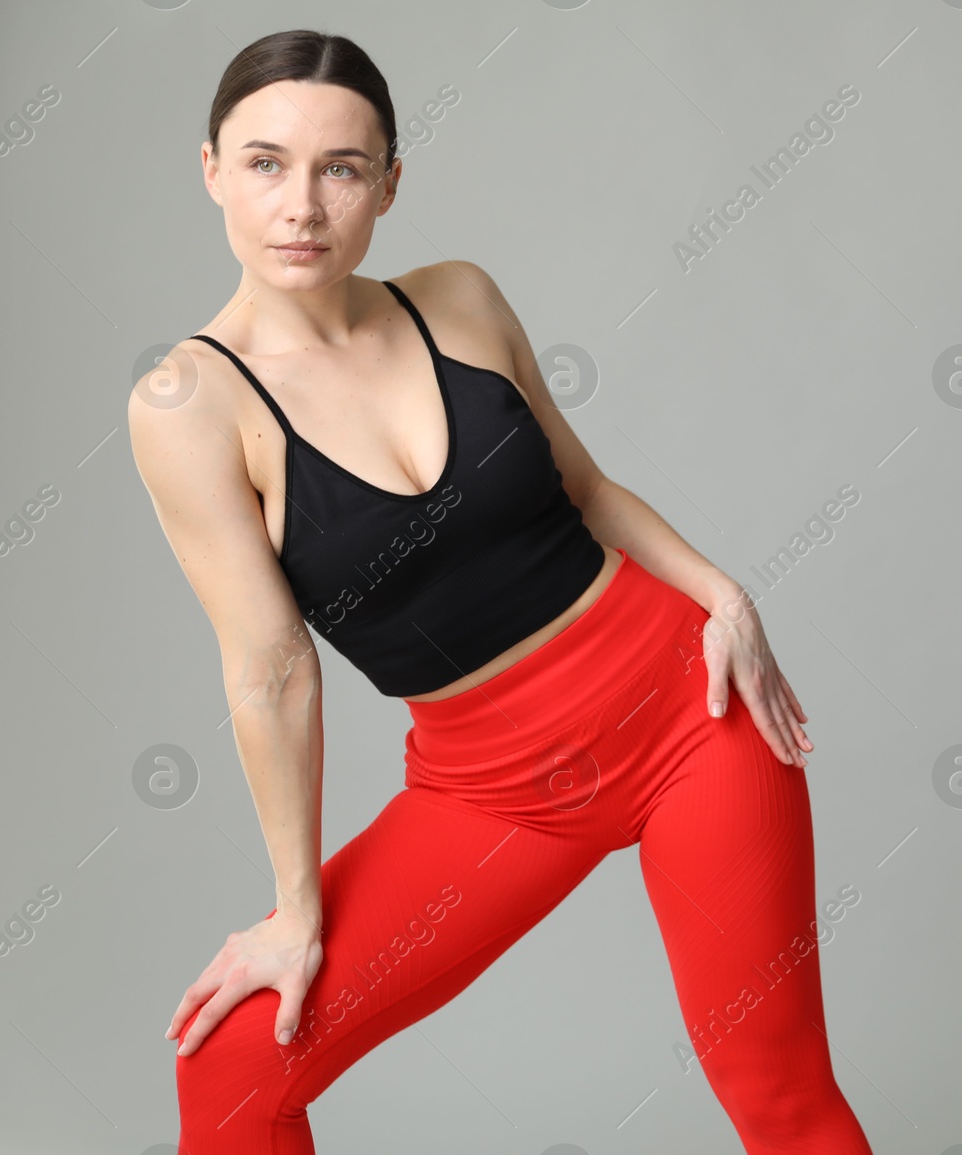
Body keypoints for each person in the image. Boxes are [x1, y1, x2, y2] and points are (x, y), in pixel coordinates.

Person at [127, 29, 872, 1155]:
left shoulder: (457, 299)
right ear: (212, 171)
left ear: (388, 183)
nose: (303, 206)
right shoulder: (190, 403)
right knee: (235, 1067)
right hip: (493, 790)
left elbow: (583, 485)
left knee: (779, 1096)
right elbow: (270, 667)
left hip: (690, 715)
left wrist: (725, 597)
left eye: (341, 167)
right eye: (267, 162)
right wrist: (297, 907)